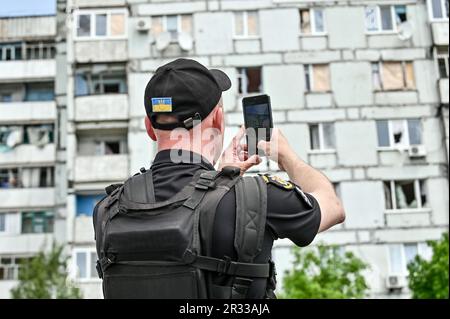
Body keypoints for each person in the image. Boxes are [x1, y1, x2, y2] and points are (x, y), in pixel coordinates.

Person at [94, 58, 345, 299]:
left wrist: (218, 180)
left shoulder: (108, 211)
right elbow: (332, 207)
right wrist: (286, 156)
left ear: (149, 127)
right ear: (218, 118)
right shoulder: (255, 198)